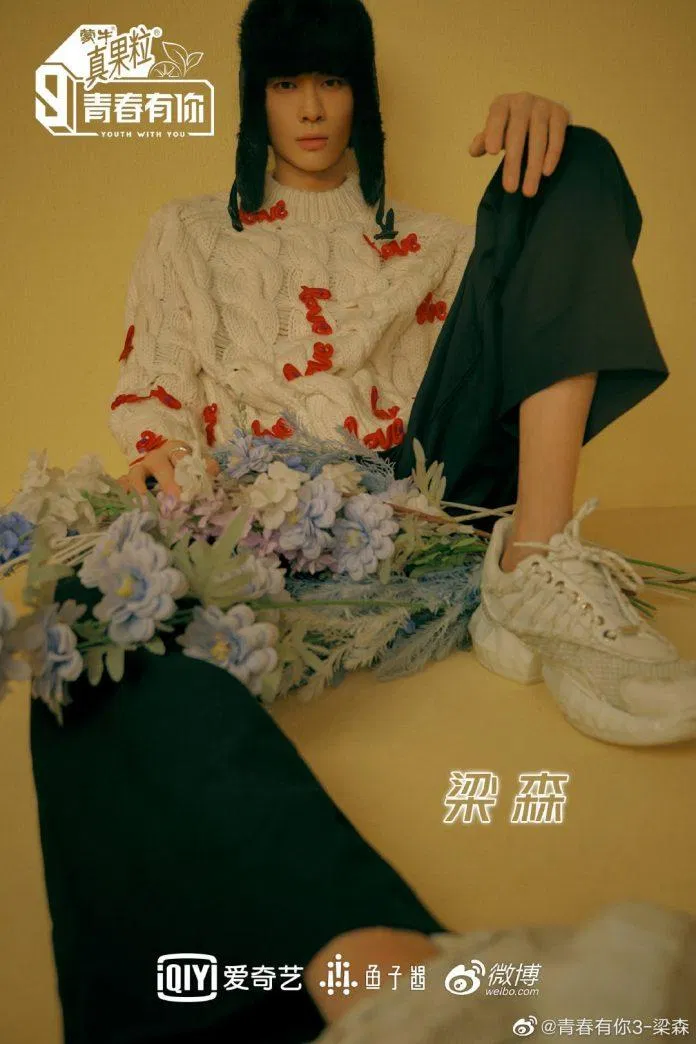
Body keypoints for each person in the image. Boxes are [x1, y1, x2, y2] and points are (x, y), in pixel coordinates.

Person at [29, 1, 696, 1043]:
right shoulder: (188, 232)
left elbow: (513, 329)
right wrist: (165, 477)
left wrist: (544, 125)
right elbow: (153, 394)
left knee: (575, 158)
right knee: (84, 615)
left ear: (362, 97)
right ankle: (390, 987)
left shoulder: (437, 244)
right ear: (255, 97)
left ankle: (533, 560)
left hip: (425, 489)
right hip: (261, 515)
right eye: (286, 82)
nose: (310, 107)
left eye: (332, 81)